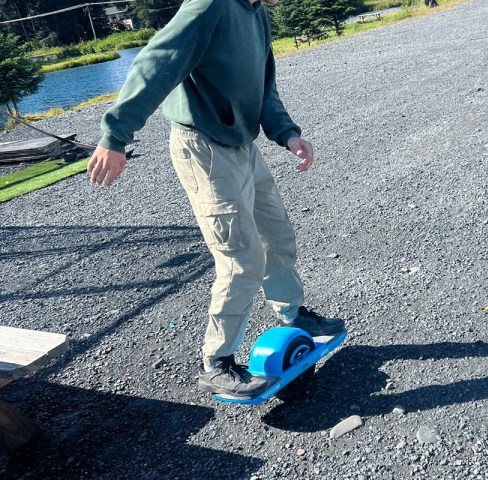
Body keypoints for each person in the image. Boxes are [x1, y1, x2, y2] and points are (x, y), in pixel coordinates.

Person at [87, 0, 345, 399]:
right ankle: (216, 361)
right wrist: (115, 135)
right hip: (204, 147)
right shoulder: (209, 5)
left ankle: (294, 315)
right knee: (240, 256)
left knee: (277, 235)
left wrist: (286, 132)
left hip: (243, 144)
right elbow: (155, 63)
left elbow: (263, 88)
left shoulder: (256, 12)